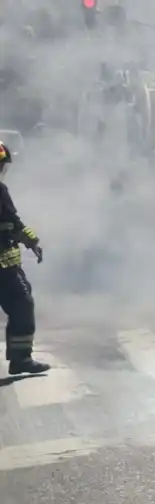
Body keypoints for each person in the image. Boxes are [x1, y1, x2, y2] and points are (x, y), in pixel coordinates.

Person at [0, 141, 49, 375]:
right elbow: (14, 222)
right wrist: (32, 241)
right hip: (3, 268)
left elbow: (13, 223)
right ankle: (20, 359)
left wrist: (31, 240)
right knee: (23, 303)